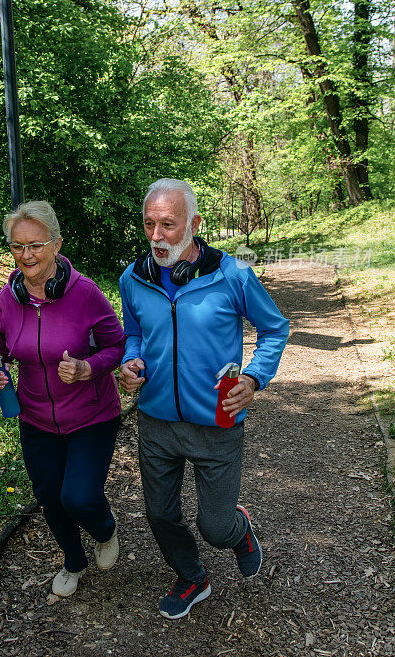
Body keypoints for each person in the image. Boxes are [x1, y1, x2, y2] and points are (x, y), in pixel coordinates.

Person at [118, 178, 289, 619]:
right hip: (155, 423)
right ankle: (193, 577)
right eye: (149, 224)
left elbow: (275, 329)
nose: (157, 236)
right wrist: (131, 361)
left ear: (194, 224)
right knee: (160, 514)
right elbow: (134, 334)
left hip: (217, 422)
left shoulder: (233, 275)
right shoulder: (132, 279)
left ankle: (239, 529)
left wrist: (254, 378)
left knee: (214, 527)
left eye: (169, 225)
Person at [0, 200, 125, 597]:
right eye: (17, 246)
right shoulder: (8, 297)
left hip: (91, 414)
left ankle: (106, 529)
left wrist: (87, 368)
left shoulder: (85, 293)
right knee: (50, 497)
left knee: (79, 498)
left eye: (36, 245)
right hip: (35, 418)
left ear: (56, 245)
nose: (26, 255)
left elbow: (117, 347)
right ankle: (73, 561)